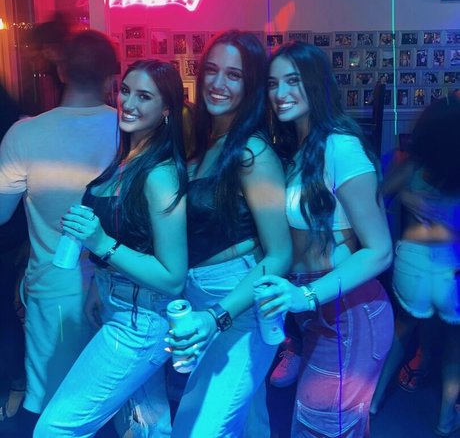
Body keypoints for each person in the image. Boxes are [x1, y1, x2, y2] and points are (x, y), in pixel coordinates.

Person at [34, 59, 188, 437]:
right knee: (146, 428)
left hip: (142, 318)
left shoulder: (160, 175)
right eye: (126, 91)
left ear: (166, 110)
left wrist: (101, 242)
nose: (129, 103)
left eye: (144, 96)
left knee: (55, 429)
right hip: (116, 303)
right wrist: (97, 286)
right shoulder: (125, 161)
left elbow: (173, 278)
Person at [255, 41, 394, 438]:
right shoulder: (301, 147)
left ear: (316, 84)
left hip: (349, 312)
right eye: (273, 84)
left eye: (293, 81)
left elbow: (380, 250)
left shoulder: (340, 146)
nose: (280, 93)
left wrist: (306, 296)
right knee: (325, 424)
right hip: (318, 312)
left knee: (320, 425)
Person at [167, 30, 292, 438]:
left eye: (234, 75)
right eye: (212, 71)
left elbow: (280, 254)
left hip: (240, 303)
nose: (218, 83)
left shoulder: (252, 153)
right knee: (247, 420)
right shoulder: (207, 145)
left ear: (250, 85)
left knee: (201, 428)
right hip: (200, 295)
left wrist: (217, 314)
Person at [0, 28, 119, 434]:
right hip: (119, 288)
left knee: (51, 404)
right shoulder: (129, 130)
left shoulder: (24, 134)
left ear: (62, 72)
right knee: (115, 404)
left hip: (51, 289)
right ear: (111, 79)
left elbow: (1, 213)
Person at [370, 93, 460, 437]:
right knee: (454, 349)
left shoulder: (410, 165)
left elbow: (377, 197)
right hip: (453, 268)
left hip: (412, 262)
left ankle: (373, 401)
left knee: (401, 330)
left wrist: (408, 201)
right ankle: (445, 419)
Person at [0, 83, 28, 423]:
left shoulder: (17, 128)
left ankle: (17, 383)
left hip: (7, 233)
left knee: (4, 313)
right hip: (11, 231)